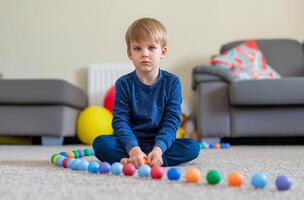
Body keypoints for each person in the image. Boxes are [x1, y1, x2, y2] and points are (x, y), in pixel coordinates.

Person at [93, 17, 200, 168]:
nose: (145, 54)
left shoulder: (172, 82)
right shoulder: (123, 84)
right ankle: (138, 158)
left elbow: (172, 120)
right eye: (137, 48)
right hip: (130, 143)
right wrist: (133, 149)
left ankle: (151, 159)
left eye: (151, 48)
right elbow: (120, 121)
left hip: (160, 144)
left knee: (193, 147)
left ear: (162, 52)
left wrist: (159, 148)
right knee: (101, 143)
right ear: (130, 53)